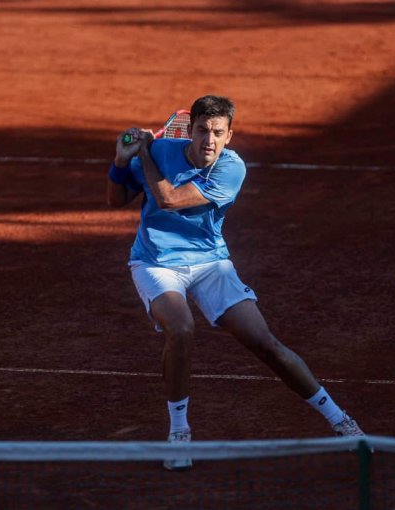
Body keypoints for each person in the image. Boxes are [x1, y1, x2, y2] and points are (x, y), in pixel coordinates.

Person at [106, 95, 364, 471]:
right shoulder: (162, 149)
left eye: (218, 133)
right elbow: (117, 200)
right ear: (189, 130)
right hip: (156, 262)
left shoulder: (231, 167)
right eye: (202, 131)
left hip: (211, 264)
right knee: (180, 329)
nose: (209, 140)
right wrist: (119, 161)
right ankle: (180, 434)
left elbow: (169, 199)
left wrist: (142, 153)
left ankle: (341, 421)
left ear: (230, 136)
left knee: (266, 344)